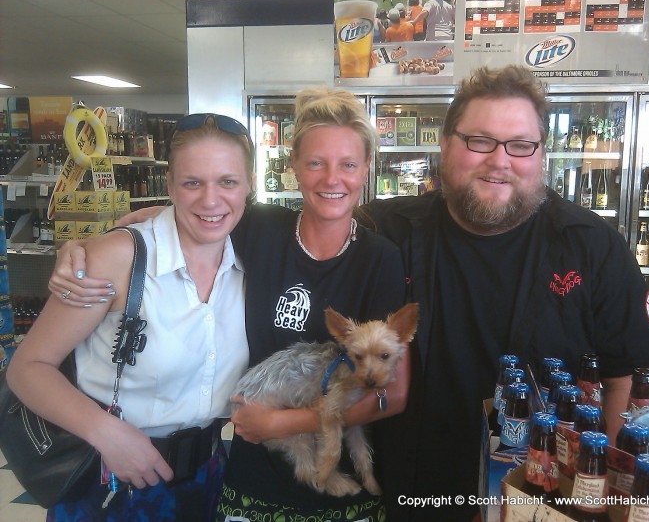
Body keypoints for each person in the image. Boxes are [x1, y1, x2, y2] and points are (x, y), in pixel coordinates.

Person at [47, 88, 408, 521]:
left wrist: (280, 423)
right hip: (248, 482)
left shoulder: (380, 258)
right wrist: (80, 247)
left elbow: (393, 392)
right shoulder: (259, 229)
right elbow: (191, 213)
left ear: (366, 168)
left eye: (348, 164)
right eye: (316, 162)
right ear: (293, 166)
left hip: (343, 483)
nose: (333, 179)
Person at [357, 65, 649, 521]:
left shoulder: (592, 244)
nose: (500, 160)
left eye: (520, 145)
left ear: (540, 153)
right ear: (445, 145)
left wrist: (602, 495)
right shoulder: (385, 232)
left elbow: (624, 378)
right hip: (409, 494)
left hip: (542, 500)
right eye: (479, 140)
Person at [7, 113, 253, 521]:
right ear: (170, 184)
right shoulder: (117, 258)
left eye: (227, 181)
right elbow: (27, 368)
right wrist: (107, 433)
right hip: (110, 480)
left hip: (208, 477)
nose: (211, 200)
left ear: (249, 185)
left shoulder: (253, 257)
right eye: (193, 183)